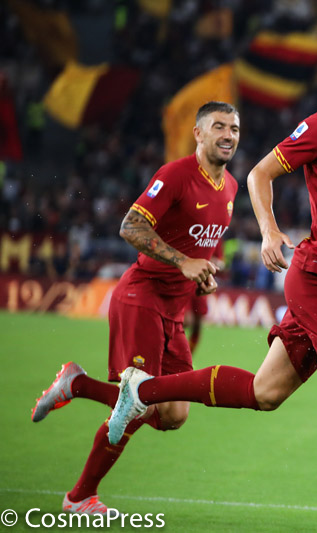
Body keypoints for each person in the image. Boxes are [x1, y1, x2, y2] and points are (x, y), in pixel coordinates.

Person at [106, 41, 317, 533]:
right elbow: (260, 172)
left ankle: (143, 389)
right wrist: (268, 230)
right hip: (316, 276)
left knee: (264, 393)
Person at [31, 101, 240, 513]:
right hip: (141, 297)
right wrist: (183, 262)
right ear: (198, 134)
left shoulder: (230, 189)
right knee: (136, 402)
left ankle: (77, 385)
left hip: (175, 310)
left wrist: (203, 275)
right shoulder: (176, 175)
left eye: (234, 128)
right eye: (218, 126)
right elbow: (130, 226)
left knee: (174, 414)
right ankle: (79, 497)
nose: (228, 135)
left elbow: (203, 247)